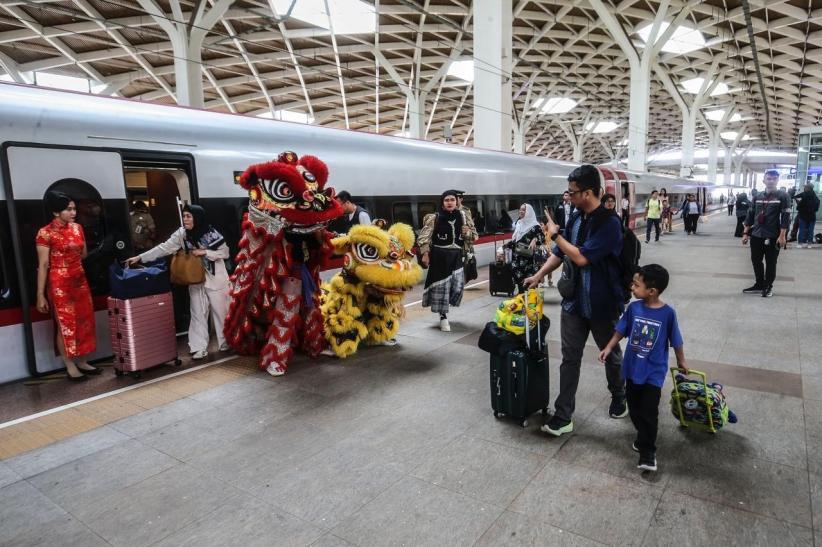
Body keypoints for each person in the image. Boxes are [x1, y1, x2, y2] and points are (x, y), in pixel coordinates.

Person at [525, 164, 627, 437]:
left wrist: (555, 233)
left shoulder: (610, 224)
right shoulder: (576, 218)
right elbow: (560, 253)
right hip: (573, 303)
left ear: (590, 192)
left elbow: (581, 257)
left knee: (612, 356)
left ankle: (619, 394)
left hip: (601, 304)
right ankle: (563, 415)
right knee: (570, 358)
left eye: (573, 192)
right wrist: (537, 275)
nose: (568, 197)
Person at [599, 264, 687, 472]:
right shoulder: (634, 308)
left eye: (636, 285)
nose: (632, 287)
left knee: (649, 412)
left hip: (653, 372)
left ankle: (648, 452)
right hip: (632, 369)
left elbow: (676, 340)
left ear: (652, 291)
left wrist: (681, 360)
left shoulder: (668, 314)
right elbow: (621, 331)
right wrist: (609, 347)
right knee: (635, 409)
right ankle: (643, 435)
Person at [127, 204, 230, 359]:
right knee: (197, 313)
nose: (185, 219)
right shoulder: (182, 234)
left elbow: (225, 252)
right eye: (184, 216)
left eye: (189, 216)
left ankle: (226, 342)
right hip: (194, 278)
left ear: (197, 217)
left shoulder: (210, 233)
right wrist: (140, 257)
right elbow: (163, 248)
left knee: (221, 311)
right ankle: (198, 347)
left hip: (216, 278)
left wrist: (205, 252)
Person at [36, 191, 101, 381]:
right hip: (59, 283)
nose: (73, 213)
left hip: (80, 280)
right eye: (68, 209)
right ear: (56, 212)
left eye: (74, 209)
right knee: (65, 324)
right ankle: (70, 365)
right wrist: (40, 294)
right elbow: (43, 265)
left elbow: (84, 254)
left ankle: (82, 360)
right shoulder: (45, 233)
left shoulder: (77, 228)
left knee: (84, 321)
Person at [418, 190, 477, 332]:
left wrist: (467, 233)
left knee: (457, 287)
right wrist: (425, 254)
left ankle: (444, 309)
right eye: (446, 200)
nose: (449, 202)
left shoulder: (464, 216)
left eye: (452, 199)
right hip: (439, 257)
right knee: (442, 289)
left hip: (456, 256)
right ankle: (443, 316)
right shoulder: (434, 218)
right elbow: (423, 238)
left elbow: (474, 236)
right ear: (442, 203)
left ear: (457, 201)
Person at [742, 169, 791, 298]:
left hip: (773, 235)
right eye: (768, 178)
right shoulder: (757, 196)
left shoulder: (783, 196)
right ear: (764, 180)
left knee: (771, 262)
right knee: (755, 260)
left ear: (777, 180)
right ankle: (759, 284)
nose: (771, 181)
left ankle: (768, 286)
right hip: (757, 235)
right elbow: (751, 214)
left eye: (774, 178)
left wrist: (782, 236)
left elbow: (786, 217)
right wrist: (746, 233)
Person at [505, 204, 546, 293]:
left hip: (529, 262)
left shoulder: (535, 226)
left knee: (530, 287)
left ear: (529, 212)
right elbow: (515, 241)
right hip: (517, 260)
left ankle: (530, 305)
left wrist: (535, 239)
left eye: (523, 210)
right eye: (520, 209)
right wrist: (504, 247)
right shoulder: (518, 224)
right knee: (520, 285)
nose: (520, 211)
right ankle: (523, 303)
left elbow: (542, 238)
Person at [794, 183, 820, 248]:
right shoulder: (815, 197)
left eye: (805, 187)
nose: (804, 188)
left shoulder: (803, 194)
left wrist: (798, 203)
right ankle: (809, 244)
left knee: (802, 229)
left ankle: (800, 243)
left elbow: (795, 197)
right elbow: (816, 208)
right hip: (812, 216)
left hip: (803, 216)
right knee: (811, 230)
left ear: (808, 188)